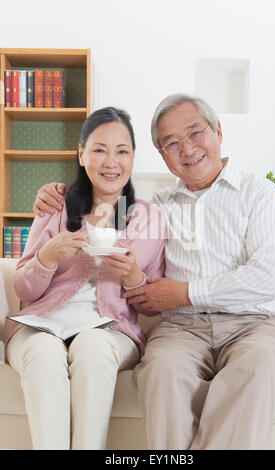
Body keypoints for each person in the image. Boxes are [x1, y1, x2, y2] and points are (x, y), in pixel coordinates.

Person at [33, 94, 275, 451]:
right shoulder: (154, 208)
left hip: (254, 325)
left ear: (217, 130)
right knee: (162, 369)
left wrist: (184, 293)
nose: (186, 149)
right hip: (181, 330)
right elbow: (100, 201)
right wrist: (57, 193)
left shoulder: (260, 193)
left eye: (194, 133)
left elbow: (267, 277)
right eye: (171, 143)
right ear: (162, 156)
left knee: (261, 365)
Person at [3, 107, 166, 450]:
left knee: (93, 346)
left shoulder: (150, 217)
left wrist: (134, 277)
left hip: (111, 330)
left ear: (133, 157)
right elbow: (23, 288)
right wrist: (47, 257)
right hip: (41, 323)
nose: (111, 161)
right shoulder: (56, 205)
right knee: (44, 354)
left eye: (122, 150)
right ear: (81, 154)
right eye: (99, 149)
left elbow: (154, 306)